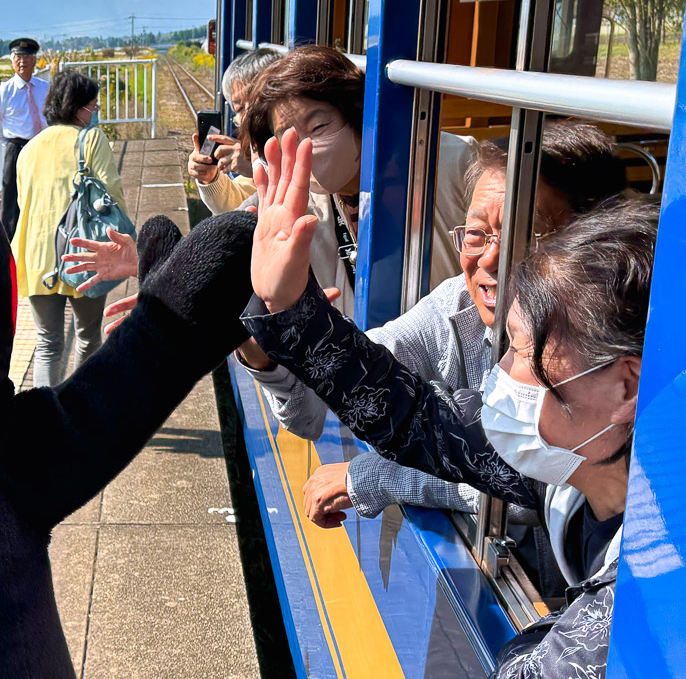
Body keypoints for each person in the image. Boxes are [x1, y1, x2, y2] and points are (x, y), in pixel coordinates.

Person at [239, 127, 654, 679]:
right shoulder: (582, 462)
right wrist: (291, 309)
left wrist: (550, 627)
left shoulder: (655, 569)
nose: (501, 377)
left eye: (523, 352)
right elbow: (418, 419)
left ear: (624, 387)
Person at [243, 120, 629, 527]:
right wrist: (285, 312)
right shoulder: (457, 305)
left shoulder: (602, 356)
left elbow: (536, 484)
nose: (490, 259)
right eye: (477, 233)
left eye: (526, 236)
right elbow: (404, 410)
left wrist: (385, 476)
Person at [197, 46, 478, 319]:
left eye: (318, 127)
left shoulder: (450, 163)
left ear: (356, 116)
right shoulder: (299, 205)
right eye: (289, 138)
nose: (306, 147)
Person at [11, 68, 130, 387]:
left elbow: (24, 203)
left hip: (38, 257)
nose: (96, 112)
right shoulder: (91, 139)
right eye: (94, 106)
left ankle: (43, 422)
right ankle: (80, 414)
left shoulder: (29, 149)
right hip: (84, 253)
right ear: (78, 109)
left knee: (47, 344)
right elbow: (112, 194)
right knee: (88, 338)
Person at [187, 49, 278, 210]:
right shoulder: (253, 146)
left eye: (259, 98)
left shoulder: (305, 137)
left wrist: (258, 166)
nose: (250, 113)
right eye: (241, 107)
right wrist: (211, 178)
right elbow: (238, 203)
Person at [0, 37, 49, 239]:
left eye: (26, 57)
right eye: (18, 57)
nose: (22, 61)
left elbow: (52, 117)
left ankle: (42, 234)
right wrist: (10, 144)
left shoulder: (44, 88)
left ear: (34, 61)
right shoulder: (4, 91)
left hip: (41, 146)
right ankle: (10, 242)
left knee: (42, 190)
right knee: (10, 196)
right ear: (12, 61)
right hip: (16, 146)